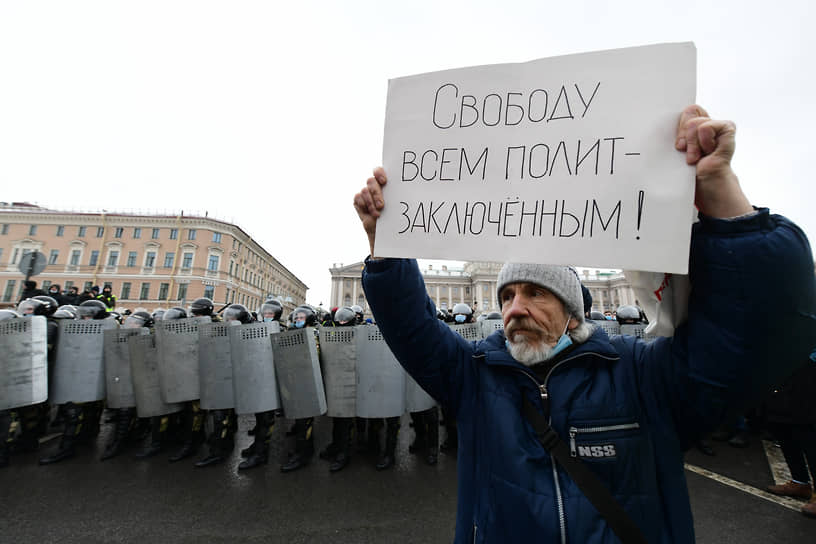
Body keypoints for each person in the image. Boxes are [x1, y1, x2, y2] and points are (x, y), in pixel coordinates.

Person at [353, 105, 816, 542]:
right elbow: (413, 329)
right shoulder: (477, 374)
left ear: (574, 311)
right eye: (508, 295)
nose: (515, 308)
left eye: (536, 293)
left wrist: (718, 188)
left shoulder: (642, 375)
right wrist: (385, 245)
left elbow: (752, 330)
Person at [764, 353, 816, 518]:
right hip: (793, 358)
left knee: (806, 427)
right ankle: (800, 482)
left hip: (811, 363)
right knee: (782, 422)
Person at [239, 299, 284, 470]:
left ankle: (261, 453)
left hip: (272, 383)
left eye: (270, 314)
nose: (266, 316)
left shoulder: (282, 330)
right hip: (259, 380)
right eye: (265, 314)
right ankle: (256, 446)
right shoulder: (256, 329)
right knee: (259, 418)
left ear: (277, 315)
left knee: (266, 420)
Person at [280, 305, 318, 472]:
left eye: (301, 318)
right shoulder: (292, 333)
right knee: (299, 420)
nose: (297, 320)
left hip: (309, 384)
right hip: (296, 382)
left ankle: (303, 455)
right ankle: (301, 450)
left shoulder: (314, 335)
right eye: (296, 318)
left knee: (305, 422)